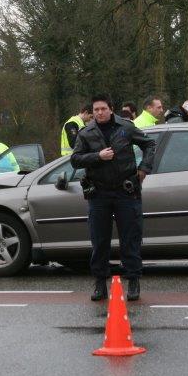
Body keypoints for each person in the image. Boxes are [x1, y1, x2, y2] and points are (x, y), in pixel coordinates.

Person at [70, 94, 156, 303]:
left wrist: (144, 168)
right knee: (99, 240)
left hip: (126, 191)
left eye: (103, 109)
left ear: (111, 109)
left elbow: (149, 144)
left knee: (131, 238)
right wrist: (97, 156)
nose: (99, 113)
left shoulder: (125, 127)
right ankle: (100, 284)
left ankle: (133, 281)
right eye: (96, 110)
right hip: (99, 193)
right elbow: (75, 160)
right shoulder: (86, 132)